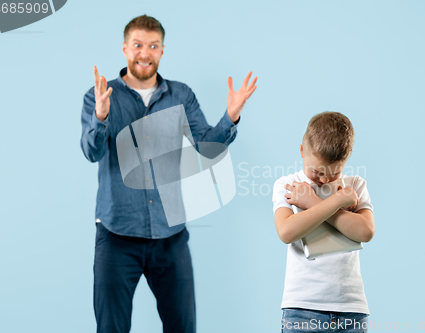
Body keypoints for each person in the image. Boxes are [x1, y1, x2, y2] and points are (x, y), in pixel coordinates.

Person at [80, 14, 257, 333]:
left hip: (170, 235)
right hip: (117, 233)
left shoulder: (181, 95)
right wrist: (101, 116)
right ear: (124, 48)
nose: (144, 53)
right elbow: (91, 152)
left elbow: (208, 148)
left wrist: (230, 116)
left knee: (183, 327)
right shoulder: (100, 96)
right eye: (137, 45)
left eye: (152, 46)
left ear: (162, 50)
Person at [272, 112, 375, 333]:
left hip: (351, 310)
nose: (324, 180)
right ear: (302, 151)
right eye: (317, 172)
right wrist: (335, 201)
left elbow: (365, 232)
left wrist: (313, 202)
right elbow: (286, 232)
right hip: (302, 309)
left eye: (334, 172)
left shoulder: (355, 185)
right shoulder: (289, 185)